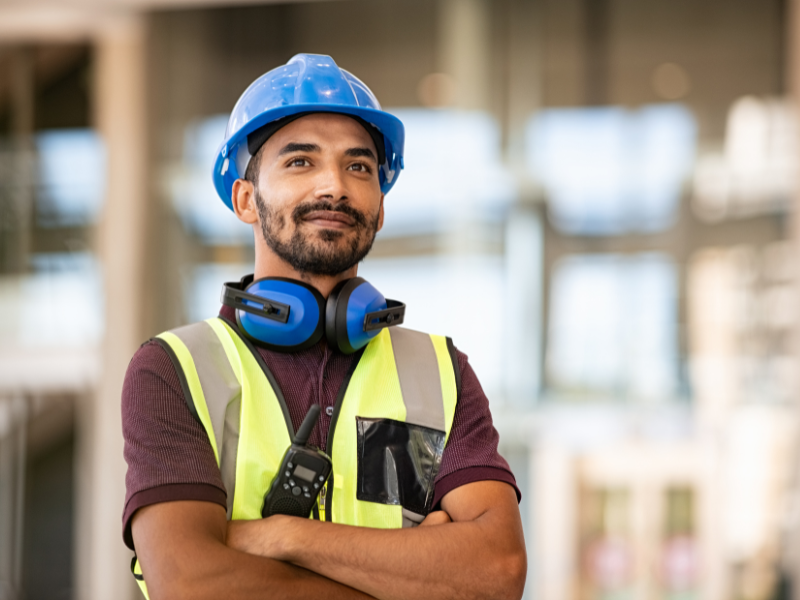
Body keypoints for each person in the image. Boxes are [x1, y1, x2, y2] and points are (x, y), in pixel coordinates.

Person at [122, 53, 526, 600]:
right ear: (246, 200)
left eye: (358, 167)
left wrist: (285, 536)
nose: (333, 186)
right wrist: (415, 578)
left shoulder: (441, 372)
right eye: (300, 163)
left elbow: (497, 571)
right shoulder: (175, 369)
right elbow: (192, 583)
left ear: (380, 208)